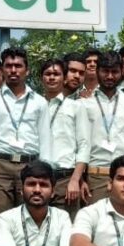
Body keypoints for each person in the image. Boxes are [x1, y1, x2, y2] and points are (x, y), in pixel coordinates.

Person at [0, 47, 52, 213]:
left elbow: (46, 140)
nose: (13, 70)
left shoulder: (40, 102)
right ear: (3, 69)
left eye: (18, 66)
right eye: (8, 66)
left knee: (29, 216)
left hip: (30, 166)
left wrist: (44, 175)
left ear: (27, 70)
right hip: (0, 167)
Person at [78, 52, 124, 203]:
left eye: (114, 71)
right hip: (96, 176)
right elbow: (80, 144)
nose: (109, 76)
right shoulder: (84, 104)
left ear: (121, 72)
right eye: (105, 71)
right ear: (97, 71)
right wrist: (81, 179)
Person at [39, 59, 88, 218]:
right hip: (37, 178)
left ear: (64, 78)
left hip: (65, 179)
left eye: (56, 74)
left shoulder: (76, 106)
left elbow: (84, 145)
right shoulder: (34, 105)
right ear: (41, 78)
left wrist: (75, 180)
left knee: (67, 227)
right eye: (48, 74)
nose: (52, 78)